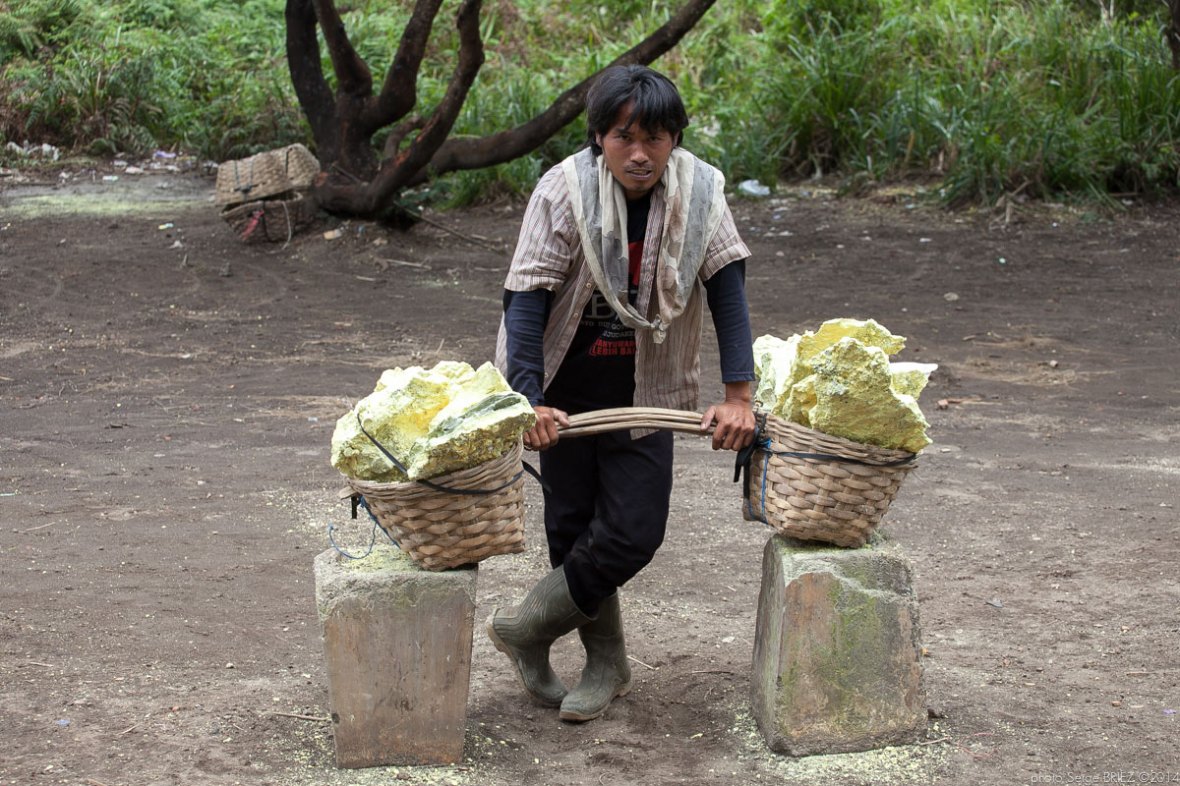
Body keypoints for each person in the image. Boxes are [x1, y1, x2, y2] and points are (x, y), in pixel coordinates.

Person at [488, 64, 757, 723]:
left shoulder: (702, 192)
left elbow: (728, 290)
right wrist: (526, 401)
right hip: (561, 391)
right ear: (598, 138)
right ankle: (607, 665)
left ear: (676, 141)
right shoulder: (563, 190)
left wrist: (739, 397)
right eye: (624, 136)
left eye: (657, 138)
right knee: (571, 530)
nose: (640, 153)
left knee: (633, 531)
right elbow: (526, 299)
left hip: (647, 389)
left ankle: (524, 628)